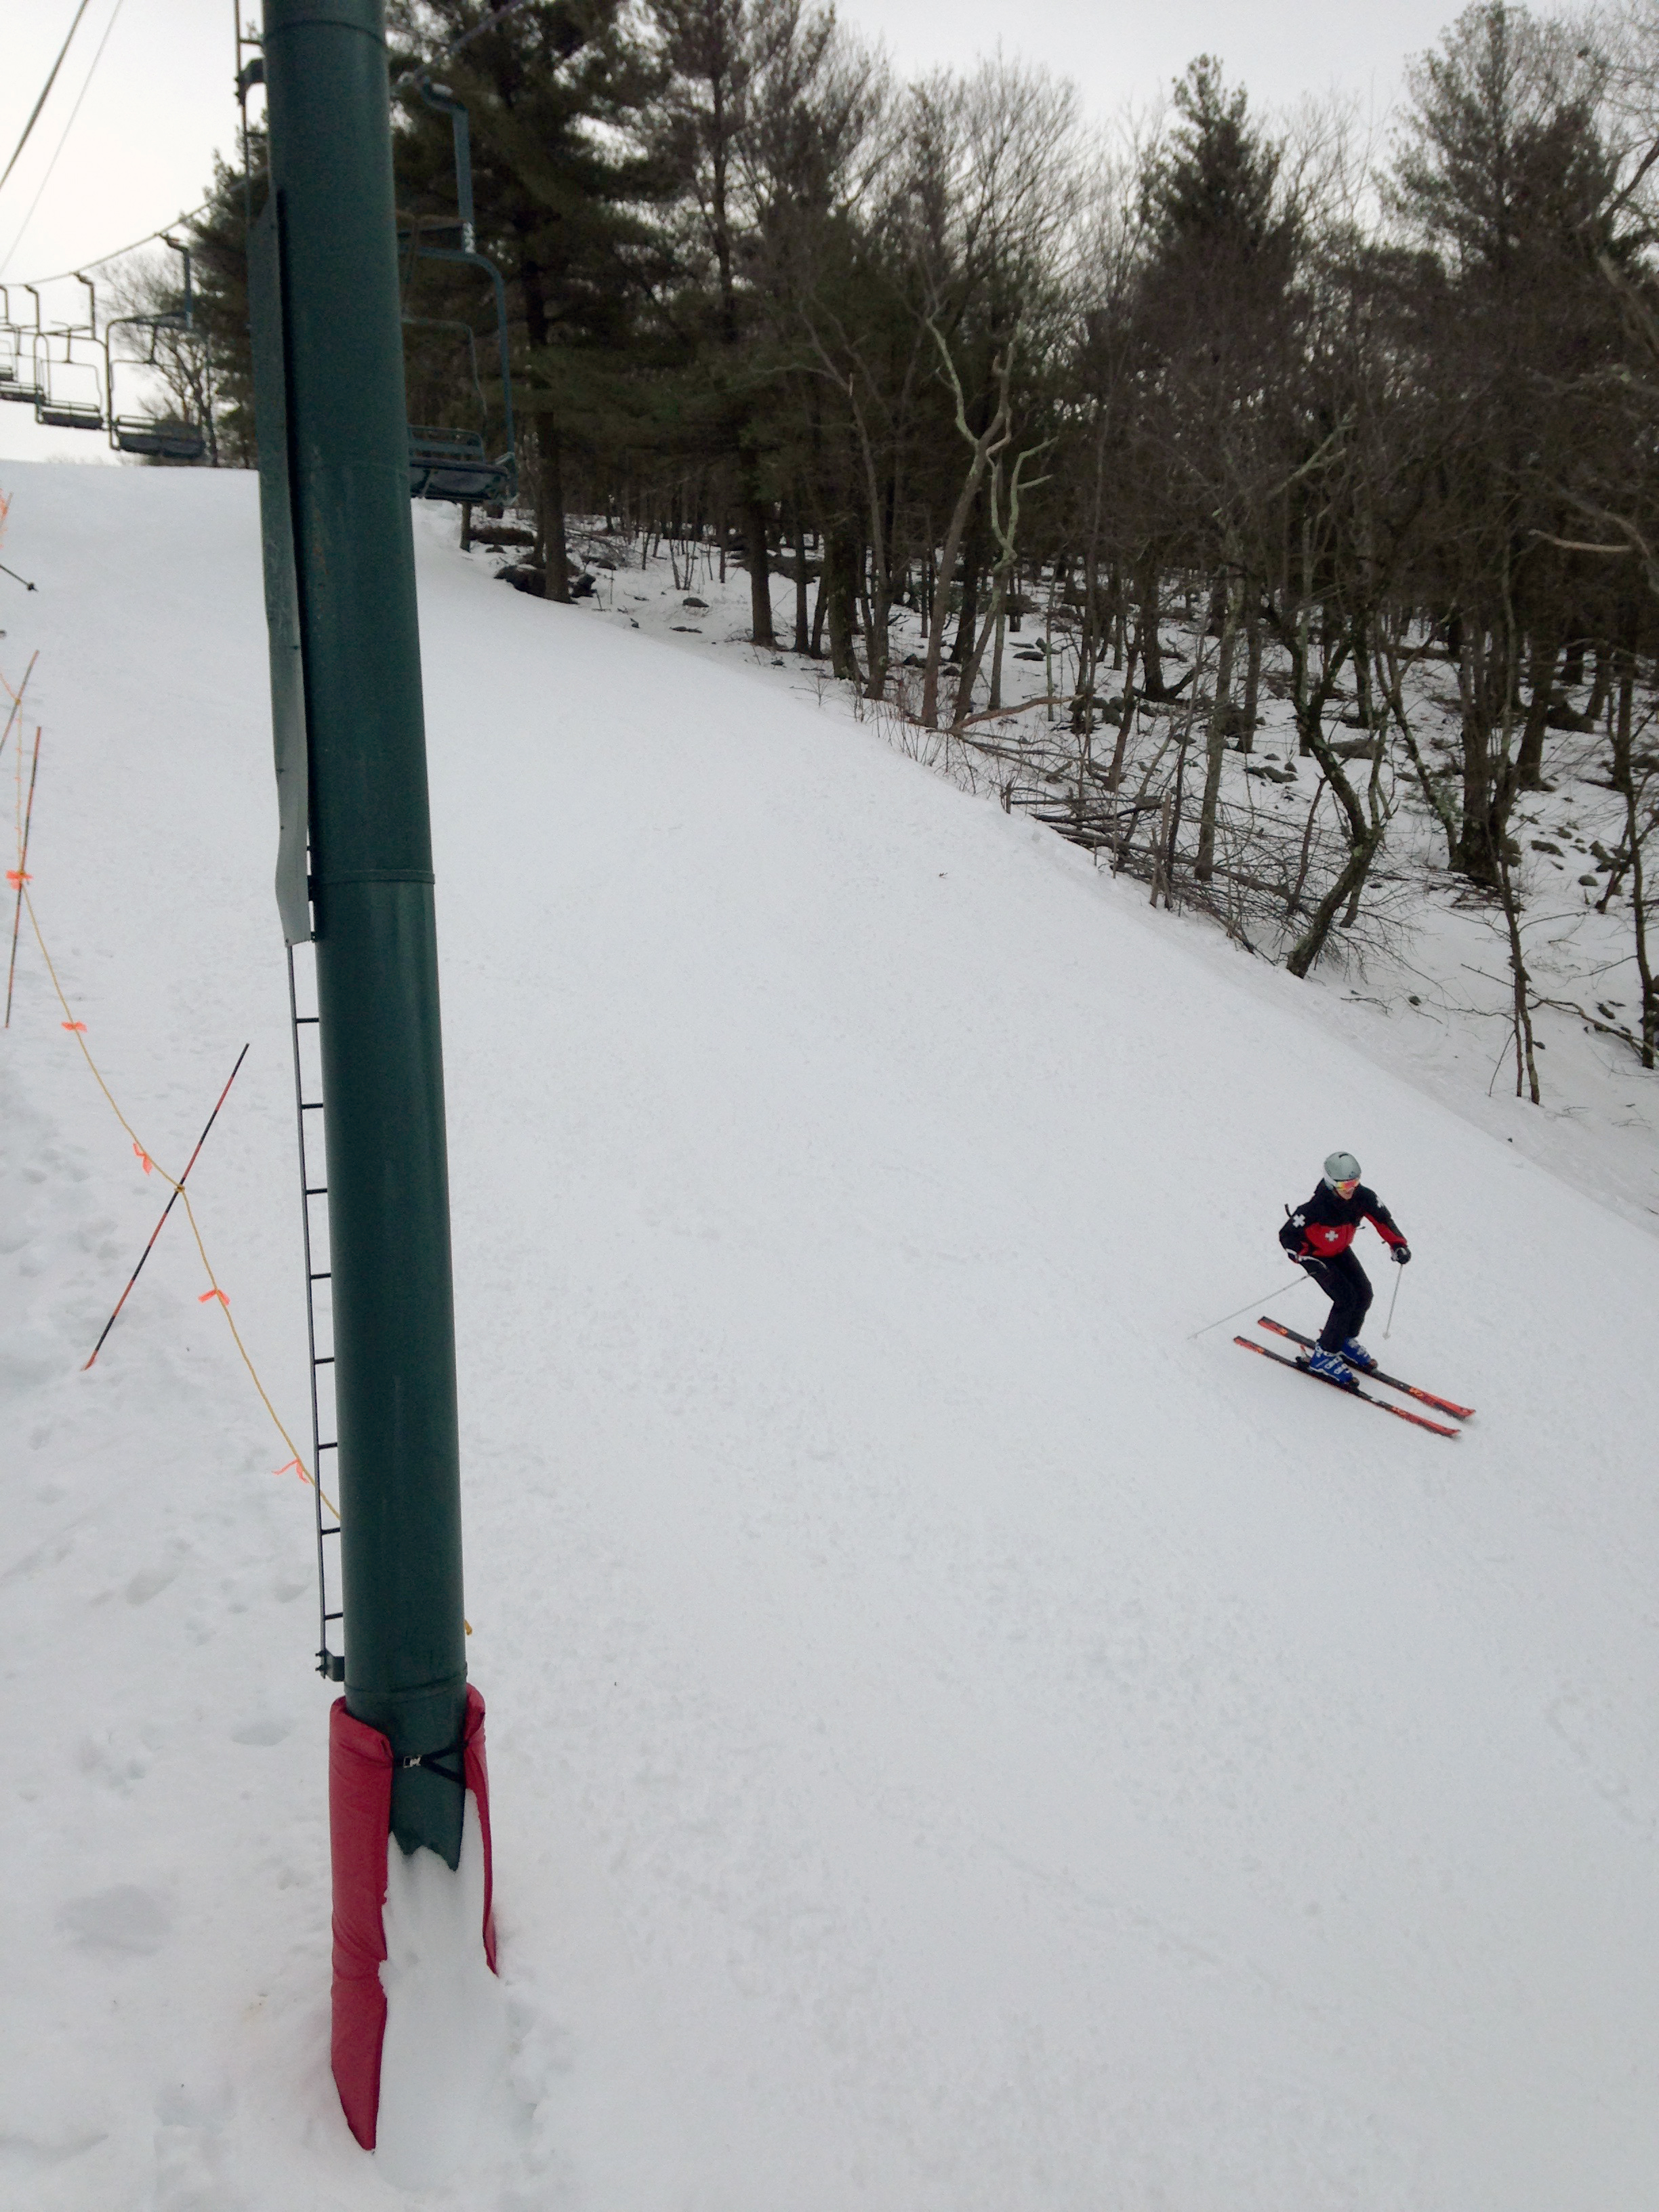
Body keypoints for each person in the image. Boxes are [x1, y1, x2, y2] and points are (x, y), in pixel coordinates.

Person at [1277, 1151, 1411, 1385]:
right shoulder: (1315, 1208)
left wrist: (1397, 1244)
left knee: (1364, 1293)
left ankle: (1345, 1340)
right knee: (1345, 1299)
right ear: (1331, 1183)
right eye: (1345, 1184)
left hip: (1340, 1252)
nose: (1351, 1188)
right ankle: (1324, 1355)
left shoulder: (1363, 1197)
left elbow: (1383, 1219)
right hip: (1318, 1257)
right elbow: (1287, 1234)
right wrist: (1301, 1256)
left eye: (1355, 1182)